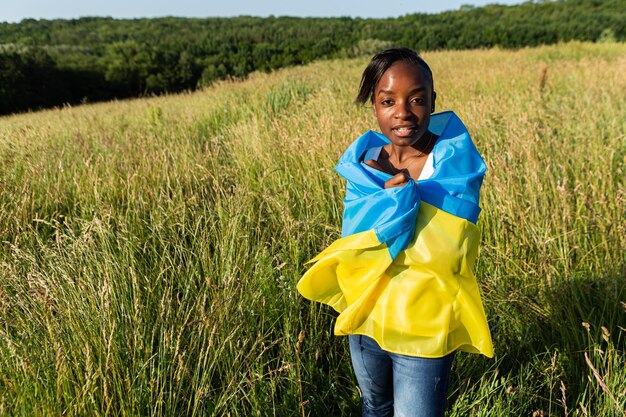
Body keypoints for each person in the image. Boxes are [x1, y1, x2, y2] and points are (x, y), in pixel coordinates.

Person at [297, 48, 493, 417]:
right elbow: (353, 248)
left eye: (417, 99)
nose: (402, 112)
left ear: (434, 101)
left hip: (423, 328)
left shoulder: (455, 168)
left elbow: (448, 255)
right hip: (367, 317)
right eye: (388, 100)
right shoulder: (363, 169)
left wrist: (400, 200)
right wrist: (391, 199)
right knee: (375, 407)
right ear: (374, 105)